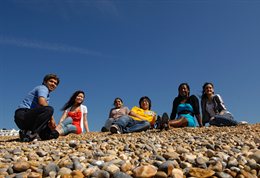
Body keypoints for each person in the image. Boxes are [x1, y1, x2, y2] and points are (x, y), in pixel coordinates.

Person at [14, 74, 60, 142]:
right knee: (49, 109)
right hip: (23, 114)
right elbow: (42, 102)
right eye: (51, 81)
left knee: (54, 134)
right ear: (45, 82)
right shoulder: (43, 88)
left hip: (31, 119)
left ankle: (25, 133)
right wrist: (52, 119)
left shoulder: (47, 95)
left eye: (55, 83)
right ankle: (31, 134)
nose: (53, 84)